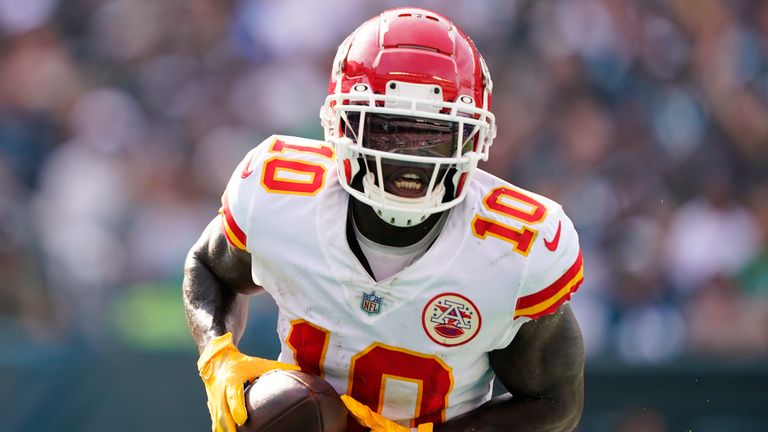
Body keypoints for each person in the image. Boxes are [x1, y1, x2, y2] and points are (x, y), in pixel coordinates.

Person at [183, 7, 585, 432]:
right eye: (387, 129)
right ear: (343, 126)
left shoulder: (513, 250)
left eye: (431, 135)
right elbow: (209, 266)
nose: (407, 157)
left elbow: (554, 401)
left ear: (471, 137)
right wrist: (217, 356)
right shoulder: (280, 195)